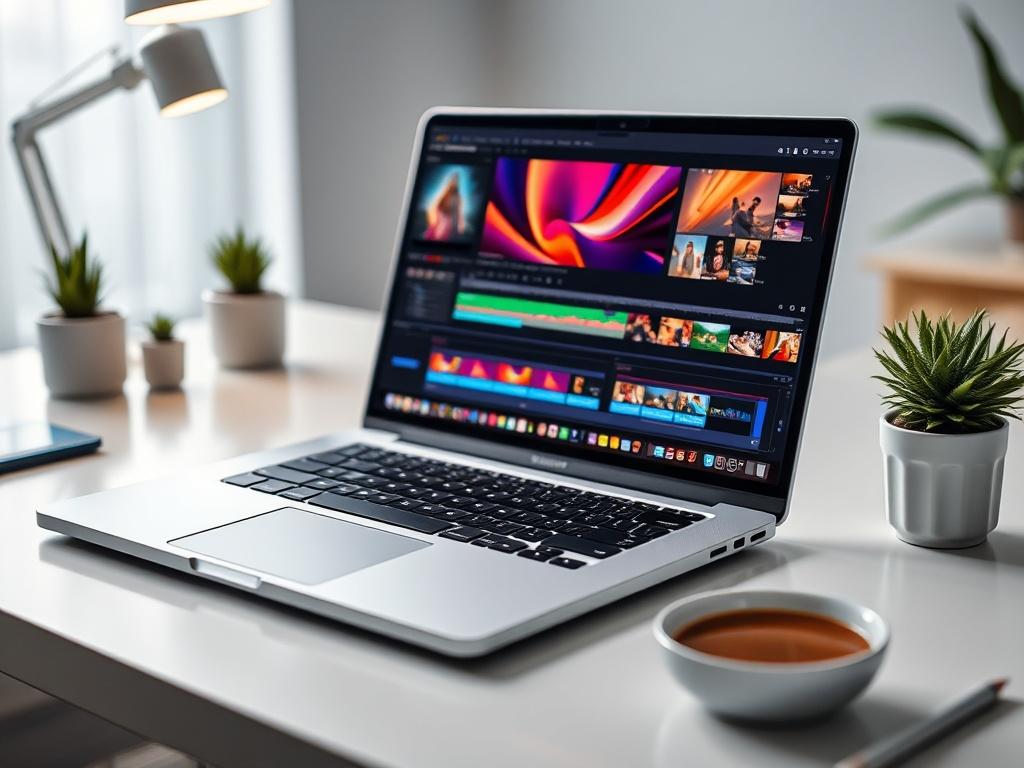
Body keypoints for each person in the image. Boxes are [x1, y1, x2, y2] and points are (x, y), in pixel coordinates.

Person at [423, 172, 465, 240]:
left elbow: (458, 211)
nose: (455, 182)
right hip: (443, 221)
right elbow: (438, 206)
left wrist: (460, 223)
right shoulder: (445, 193)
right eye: (454, 180)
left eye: (456, 180)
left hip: (452, 223)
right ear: (451, 181)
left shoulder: (458, 197)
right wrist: (442, 218)